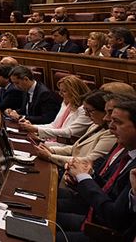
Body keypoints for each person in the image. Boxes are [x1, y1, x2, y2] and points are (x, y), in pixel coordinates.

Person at [56, 100, 136, 241]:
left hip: (107, 232)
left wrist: (84, 178)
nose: (110, 125)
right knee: (40, 214)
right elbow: (110, 189)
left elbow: (114, 217)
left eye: (117, 122)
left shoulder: (133, 167)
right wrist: (87, 175)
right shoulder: (126, 151)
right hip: (94, 218)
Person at [34, 91, 116, 168]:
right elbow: (75, 148)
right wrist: (51, 150)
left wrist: (50, 156)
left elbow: (89, 161)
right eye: (85, 110)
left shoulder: (111, 135)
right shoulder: (95, 125)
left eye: (89, 111)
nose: (86, 115)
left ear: (103, 111)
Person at [18, 75, 91, 141]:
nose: (60, 94)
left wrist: (36, 129)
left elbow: (69, 132)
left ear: (75, 92)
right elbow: (54, 125)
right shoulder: (67, 103)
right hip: (56, 141)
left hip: (68, 144)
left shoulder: (84, 110)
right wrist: (32, 126)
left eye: (64, 91)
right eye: (60, 91)